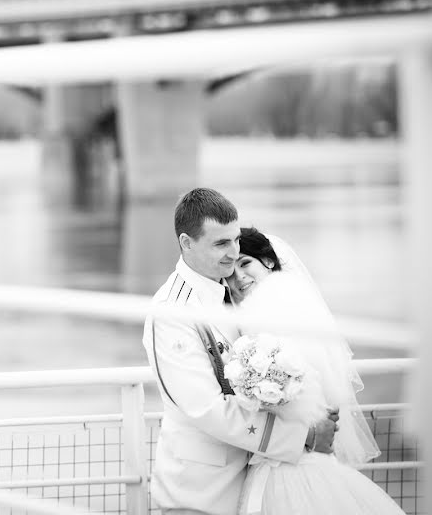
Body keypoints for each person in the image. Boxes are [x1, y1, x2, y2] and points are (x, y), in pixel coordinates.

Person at [143, 188, 337, 515]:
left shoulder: (231, 293)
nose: (233, 254)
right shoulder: (172, 312)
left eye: (235, 240)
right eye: (220, 243)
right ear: (186, 243)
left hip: (252, 483)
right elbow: (207, 408)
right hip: (200, 493)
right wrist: (303, 435)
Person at [226, 227, 404, 515]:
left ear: (268, 261)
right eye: (230, 272)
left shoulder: (276, 300)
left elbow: (309, 372)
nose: (238, 277)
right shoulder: (274, 301)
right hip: (288, 441)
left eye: (245, 263)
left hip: (295, 444)